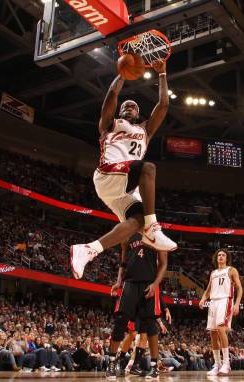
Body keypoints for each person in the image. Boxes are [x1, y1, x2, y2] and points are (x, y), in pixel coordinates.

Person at [70, 59, 176, 280]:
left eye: (134, 107)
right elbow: (110, 96)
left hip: (124, 188)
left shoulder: (145, 130)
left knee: (137, 220)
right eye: (125, 106)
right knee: (148, 168)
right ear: (120, 111)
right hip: (109, 173)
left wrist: (163, 74)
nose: (129, 107)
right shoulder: (110, 124)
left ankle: (89, 250)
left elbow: (164, 106)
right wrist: (123, 76)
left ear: (138, 114)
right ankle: (153, 228)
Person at [107, 233, 167, 380]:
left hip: (149, 284)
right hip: (130, 283)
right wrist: (119, 281)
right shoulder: (127, 237)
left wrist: (155, 284)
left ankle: (154, 367)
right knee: (121, 320)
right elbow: (123, 263)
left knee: (150, 324)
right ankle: (111, 363)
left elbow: (164, 264)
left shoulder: (158, 236)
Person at [199, 249, 243, 376]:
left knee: (220, 328)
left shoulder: (231, 270)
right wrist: (203, 299)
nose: (221, 257)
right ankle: (217, 364)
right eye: (219, 255)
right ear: (216, 258)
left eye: (223, 255)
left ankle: (226, 364)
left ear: (227, 258)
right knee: (213, 333)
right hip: (213, 302)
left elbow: (240, 288)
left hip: (225, 300)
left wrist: (237, 304)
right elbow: (208, 289)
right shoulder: (213, 273)